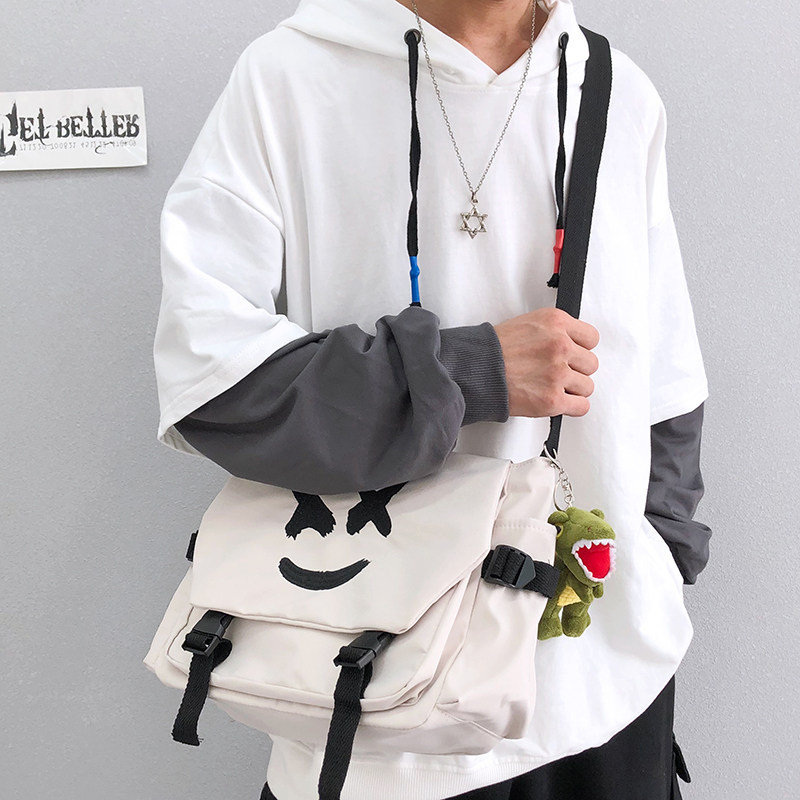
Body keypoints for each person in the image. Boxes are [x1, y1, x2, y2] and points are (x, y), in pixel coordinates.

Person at [152, 0, 711, 797]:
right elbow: (211, 383)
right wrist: (470, 371)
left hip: (604, 685)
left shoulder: (616, 88)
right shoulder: (288, 76)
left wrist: (663, 554)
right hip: (379, 710)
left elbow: (664, 370)